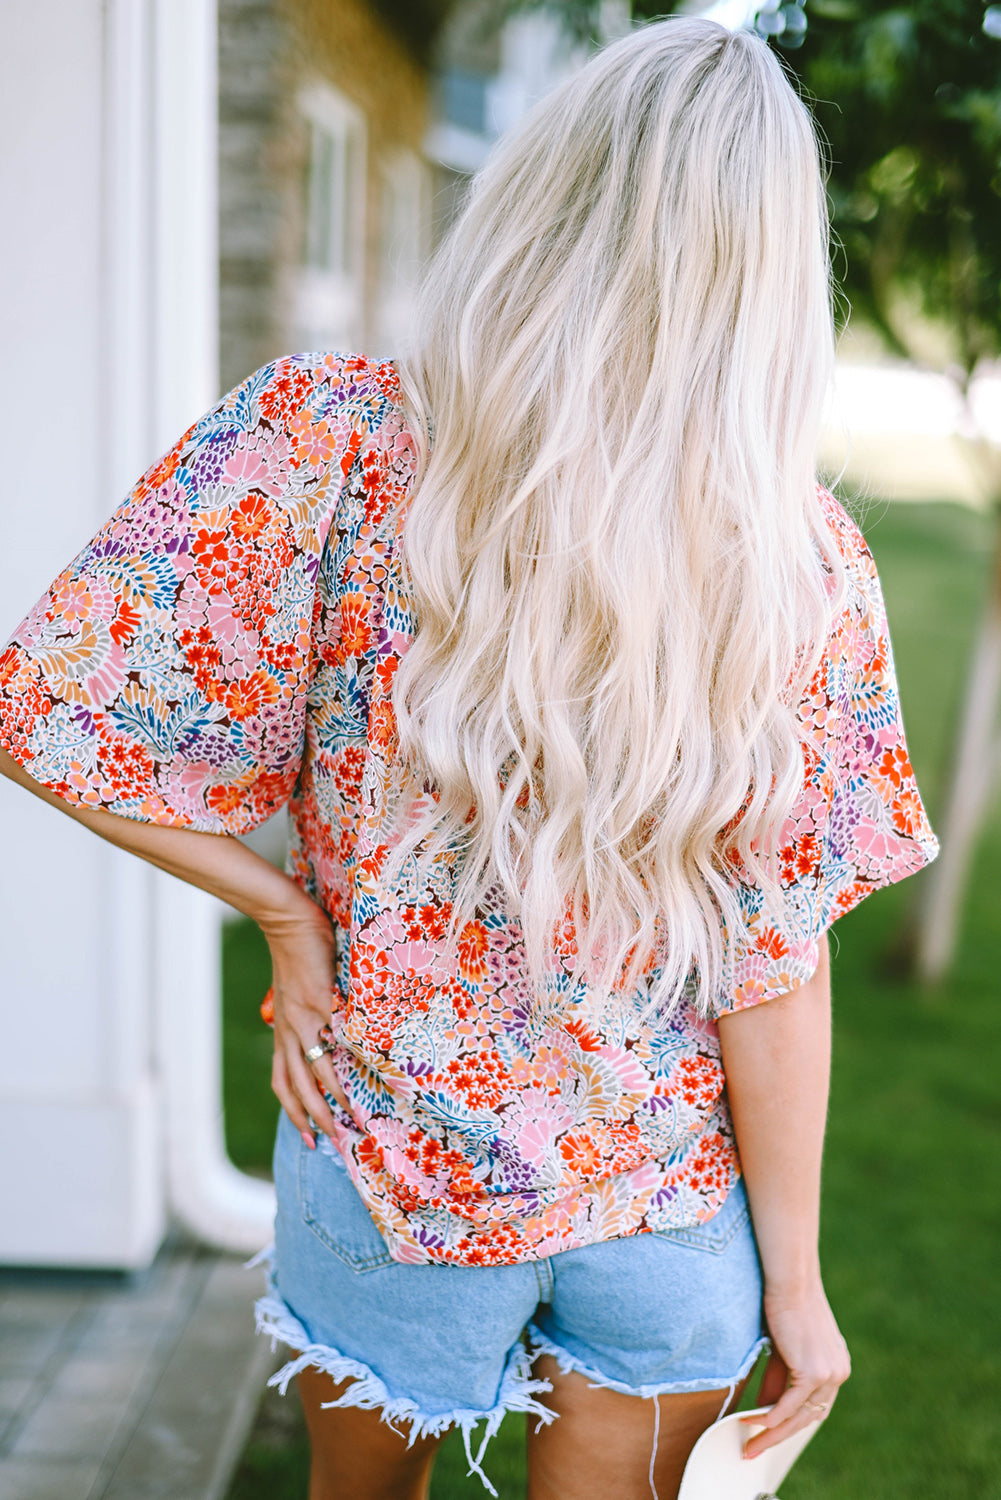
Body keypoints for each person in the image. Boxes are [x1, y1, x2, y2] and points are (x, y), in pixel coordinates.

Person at [0, 16, 937, 1500]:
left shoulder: (329, 440)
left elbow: (50, 715)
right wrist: (797, 1286)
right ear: (763, 268)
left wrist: (284, 910)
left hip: (389, 1162)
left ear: (538, 196)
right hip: (665, 1205)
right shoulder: (796, 557)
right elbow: (777, 961)